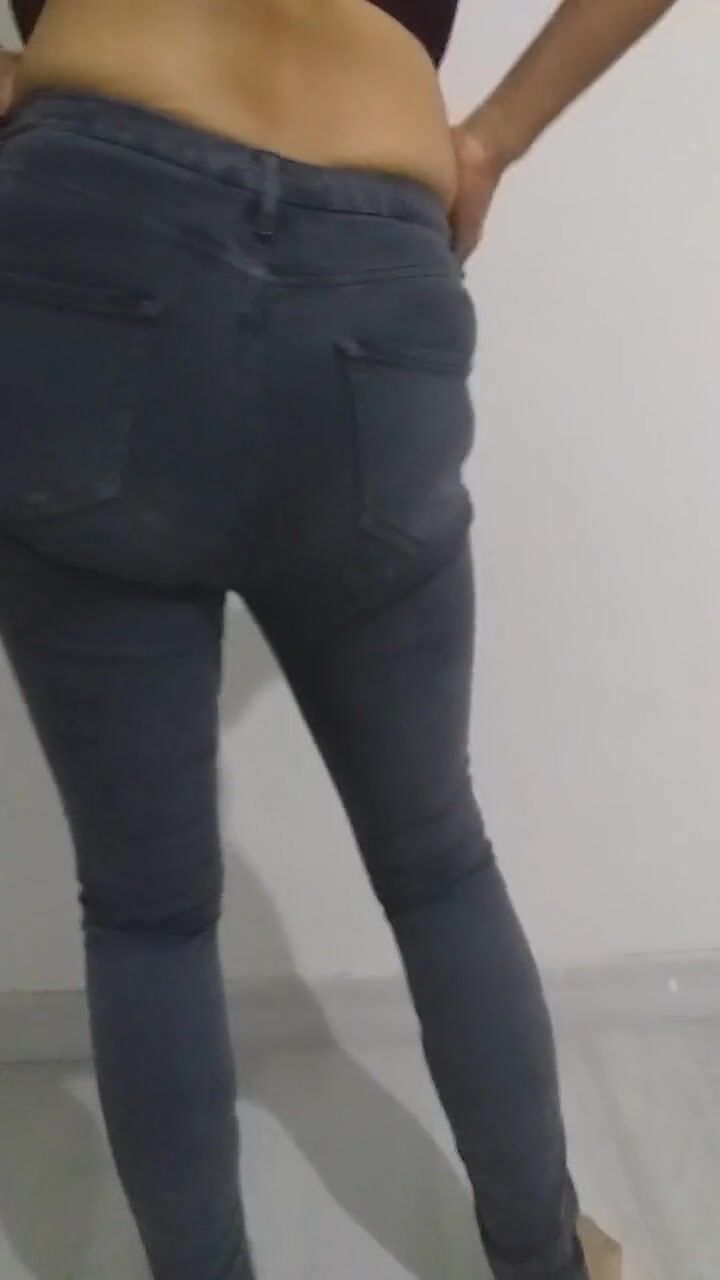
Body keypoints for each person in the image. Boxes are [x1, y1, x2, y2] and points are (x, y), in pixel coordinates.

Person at [0, 2, 677, 1278]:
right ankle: (545, 1261)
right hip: (373, 258)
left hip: (89, 225)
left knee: (146, 910)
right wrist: (491, 140)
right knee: (438, 863)